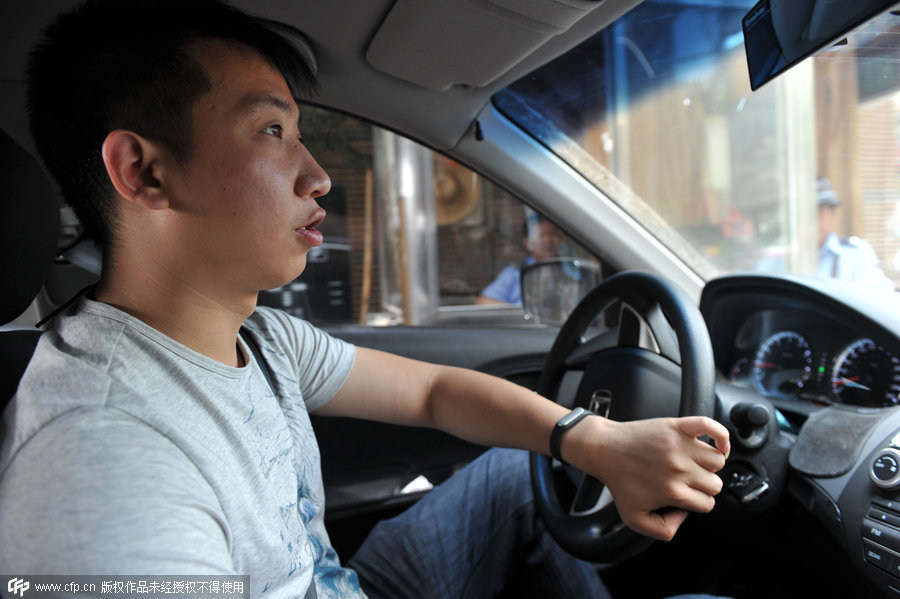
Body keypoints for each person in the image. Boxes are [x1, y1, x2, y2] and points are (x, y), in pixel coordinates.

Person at [0, 1, 731, 597]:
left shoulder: (259, 336)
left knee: (518, 472)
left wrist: (592, 438)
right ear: (145, 172)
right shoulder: (101, 460)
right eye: (272, 131)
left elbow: (434, 391)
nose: (317, 174)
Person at [816, 177, 893, 288]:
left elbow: (879, 295)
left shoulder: (856, 253)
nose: (813, 222)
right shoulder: (786, 258)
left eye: (819, 212)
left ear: (832, 215)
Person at [476, 217, 560, 305]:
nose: (548, 240)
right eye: (540, 235)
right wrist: (520, 313)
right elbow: (483, 302)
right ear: (527, 243)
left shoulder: (571, 268)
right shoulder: (515, 272)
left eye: (552, 234)